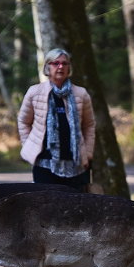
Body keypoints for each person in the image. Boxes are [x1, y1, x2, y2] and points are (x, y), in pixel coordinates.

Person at [17, 47, 96, 191]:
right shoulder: (35, 92)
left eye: (64, 63)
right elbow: (23, 121)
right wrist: (29, 145)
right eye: (55, 63)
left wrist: (88, 154)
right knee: (46, 209)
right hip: (44, 165)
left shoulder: (81, 94)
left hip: (77, 165)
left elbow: (89, 125)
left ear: (69, 67)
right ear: (47, 67)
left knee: (76, 208)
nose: (60, 67)